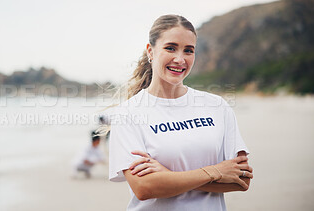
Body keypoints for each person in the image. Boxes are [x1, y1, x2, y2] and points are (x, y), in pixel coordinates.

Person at [108, 14, 253, 211]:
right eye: (170, 48)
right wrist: (215, 171)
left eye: (188, 50)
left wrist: (167, 176)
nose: (180, 59)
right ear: (150, 51)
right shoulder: (128, 113)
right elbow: (144, 187)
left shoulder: (216, 106)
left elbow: (241, 180)